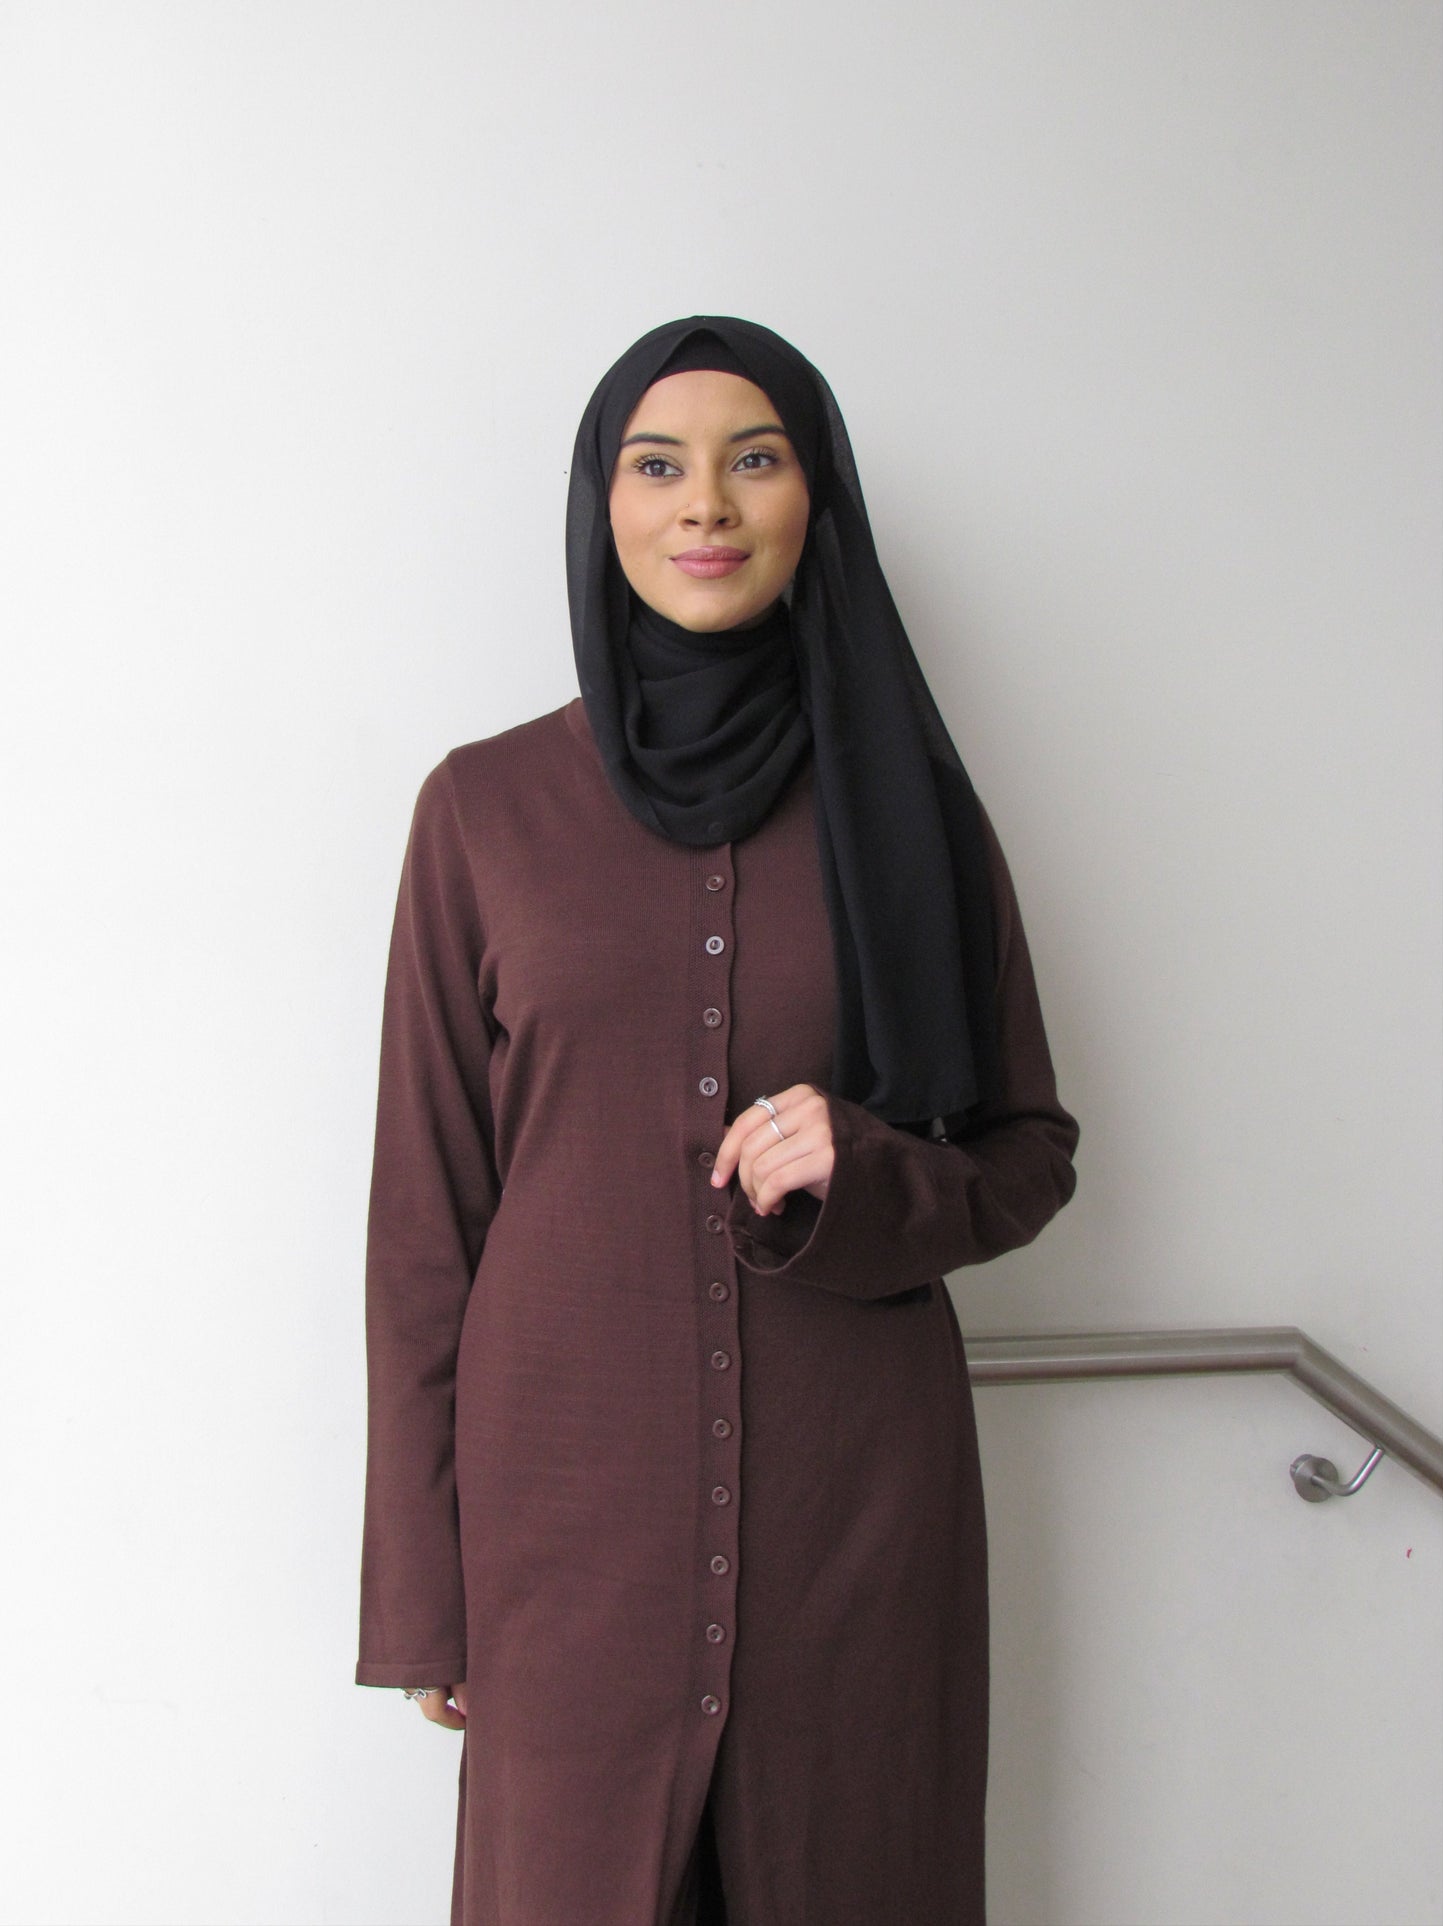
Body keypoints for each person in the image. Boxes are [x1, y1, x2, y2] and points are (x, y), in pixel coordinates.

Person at [355, 315, 1079, 1926]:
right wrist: (422, 1591)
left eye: (754, 458)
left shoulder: (916, 813)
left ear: (816, 498)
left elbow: (1028, 1151)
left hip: (853, 1525)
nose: (705, 504)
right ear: (599, 505)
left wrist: (866, 1165)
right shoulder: (481, 809)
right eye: (654, 464)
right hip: (565, 1533)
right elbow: (423, 1225)